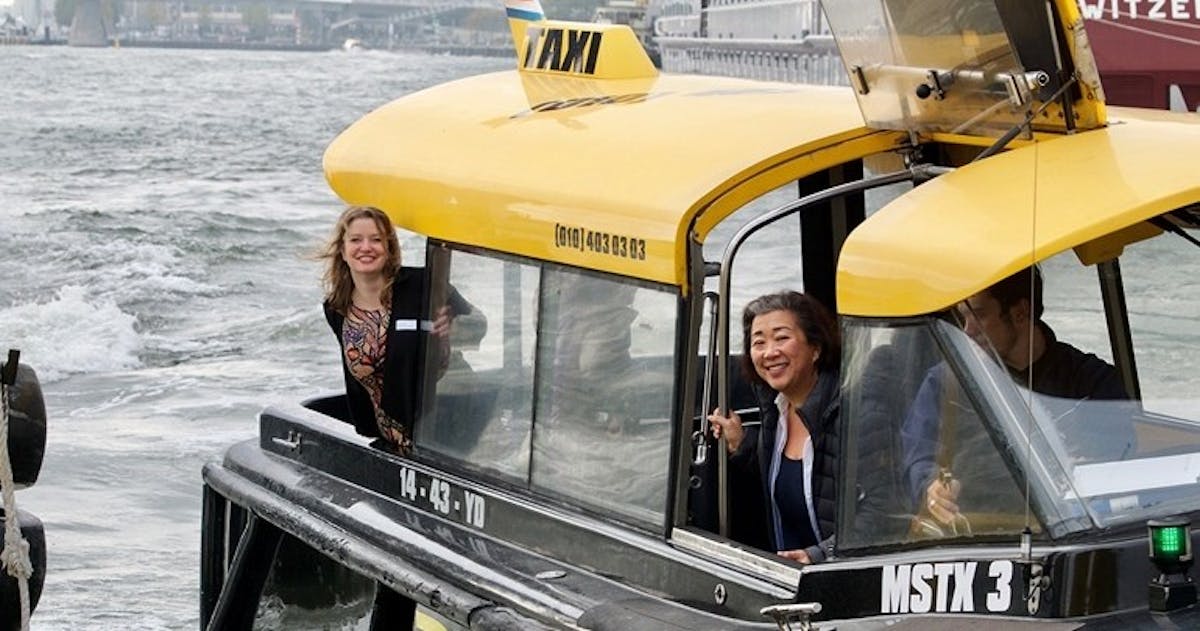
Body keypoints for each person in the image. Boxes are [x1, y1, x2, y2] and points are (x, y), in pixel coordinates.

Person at [901, 265, 1132, 528]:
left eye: (978, 315)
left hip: (1068, 531)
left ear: (1021, 312)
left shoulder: (1093, 383)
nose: (967, 331)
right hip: (976, 532)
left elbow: (1118, 463)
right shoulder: (946, 382)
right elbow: (917, 454)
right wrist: (930, 486)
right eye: (963, 318)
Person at [708, 291, 841, 564]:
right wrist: (742, 444)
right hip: (786, 575)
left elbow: (878, 517)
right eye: (759, 342)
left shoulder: (846, 412)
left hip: (834, 577)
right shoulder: (774, 407)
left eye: (782, 338)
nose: (769, 353)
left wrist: (818, 555)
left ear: (815, 348)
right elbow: (798, 486)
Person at [320, 205, 460, 453]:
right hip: (389, 444)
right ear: (343, 250)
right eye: (355, 240)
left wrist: (455, 327)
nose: (366, 247)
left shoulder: (425, 285)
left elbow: (479, 324)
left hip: (440, 439)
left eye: (376, 239)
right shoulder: (336, 308)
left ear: (389, 248)